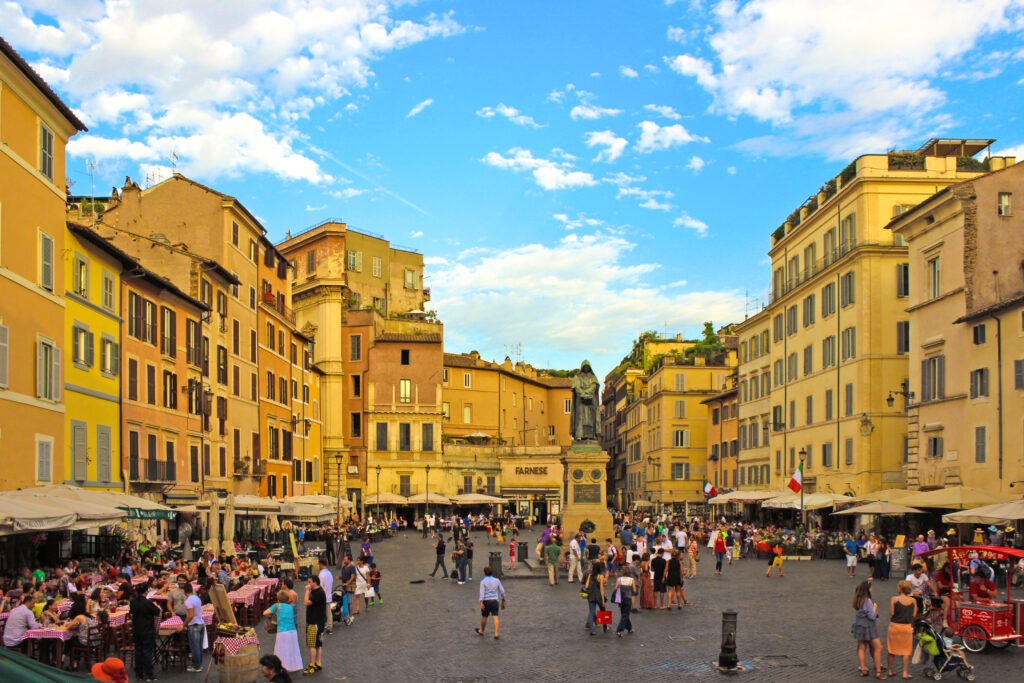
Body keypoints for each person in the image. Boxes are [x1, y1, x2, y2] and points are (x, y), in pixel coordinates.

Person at [852, 580, 886, 679]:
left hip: (859, 625)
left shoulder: (857, 599)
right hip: (868, 626)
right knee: (878, 647)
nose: (872, 589)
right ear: (867, 589)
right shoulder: (868, 601)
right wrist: (875, 608)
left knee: (861, 647)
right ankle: (878, 671)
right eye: (871, 587)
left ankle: (863, 669)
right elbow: (871, 616)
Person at [264, 590, 302, 673]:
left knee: (281, 650)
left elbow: (265, 613)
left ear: (278, 599)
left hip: (282, 631)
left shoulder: (276, 606)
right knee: (292, 649)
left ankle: (280, 667)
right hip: (292, 631)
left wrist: (272, 615)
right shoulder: (290, 607)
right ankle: (293, 666)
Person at [129, 584, 161, 682]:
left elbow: (131, 612)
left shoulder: (133, 602)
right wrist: (155, 606)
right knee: (147, 652)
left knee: (138, 651)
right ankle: (149, 673)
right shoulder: (148, 603)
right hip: (147, 630)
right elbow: (157, 612)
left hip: (136, 629)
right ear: (146, 592)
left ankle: (139, 672)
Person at [886, 580, 917, 679]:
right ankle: (904, 673)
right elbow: (914, 615)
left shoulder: (894, 599)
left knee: (891, 650)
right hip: (906, 627)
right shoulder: (913, 601)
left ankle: (890, 670)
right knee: (906, 651)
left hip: (894, 627)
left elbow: (891, 613)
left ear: (900, 588)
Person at [302, 576, 327, 675]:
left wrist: (307, 591)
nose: (308, 584)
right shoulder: (319, 591)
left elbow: (305, 602)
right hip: (319, 621)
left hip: (314, 622)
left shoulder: (318, 593)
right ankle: (318, 662)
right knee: (318, 644)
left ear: (315, 583)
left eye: (310, 582)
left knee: (312, 644)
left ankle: (312, 664)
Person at [569, 360, 599, 441]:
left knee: (590, 419)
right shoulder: (577, 377)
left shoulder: (593, 377)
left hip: (590, 400)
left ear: (589, 368)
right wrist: (582, 394)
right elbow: (576, 387)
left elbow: (594, 386)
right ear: (582, 367)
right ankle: (579, 435)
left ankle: (590, 435)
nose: (586, 368)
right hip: (580, 400)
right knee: (580, 417)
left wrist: (586, 393)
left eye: (587, 367)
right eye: (584, 367)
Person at [474, 565, 505, 639]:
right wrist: (503, 599)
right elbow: (502, 591)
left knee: (484, 616)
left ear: (484, 573)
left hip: (486, 601)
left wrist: (481, 602)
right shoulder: (497, 580)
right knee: (495, 616)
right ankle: (496, 633)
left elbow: (482, 593)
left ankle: (482, 630)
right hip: (494, 601)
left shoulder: (483, 582)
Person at [182, 580, 205, 672]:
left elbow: (190, 615)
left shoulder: (188, 601)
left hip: (194, 625)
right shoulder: (197, 598)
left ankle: (197, 666)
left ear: (184, 591)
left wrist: (184, 625)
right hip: (201, 623)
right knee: (199, 646)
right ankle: (199, 664)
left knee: (194, 647)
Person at [584, 561, 607, 636]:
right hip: (598, 596)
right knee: (603, 611)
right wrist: (603, 600)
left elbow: (586, 586)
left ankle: (592, 630)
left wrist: (589, 576)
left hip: (591, 595)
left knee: (591, 612)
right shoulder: (600, 576)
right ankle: (604, 627)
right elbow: (601, 589)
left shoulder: (590, 575)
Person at [614, 568, 635, 637]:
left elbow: (616, 587)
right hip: (628, 598)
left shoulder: (619, 579)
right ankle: (619, 630)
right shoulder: (631, 580)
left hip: (621, 599)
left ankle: (629, 628)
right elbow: (634, 590)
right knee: (625, 614)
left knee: (624, 613)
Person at [316, 560, 333, 634]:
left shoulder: (321, 574)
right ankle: (329, 626)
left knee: (321, 613)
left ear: (321, 564)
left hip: (322, 596)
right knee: (328, 613)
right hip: (328, 595)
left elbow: (320, 586)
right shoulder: (329, 573)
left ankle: (324, 627)